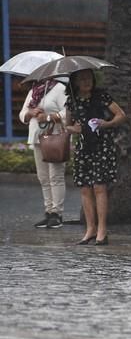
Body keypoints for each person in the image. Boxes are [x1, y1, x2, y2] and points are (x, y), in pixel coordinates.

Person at [64, 69, 127, 245]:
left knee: (100, 187)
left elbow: (121, 115)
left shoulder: (102, 96)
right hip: (83, 148)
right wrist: (73, 129)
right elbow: (67, 126)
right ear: (75, 82)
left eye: (89, 78)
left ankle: (102, 229)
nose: (86, 81)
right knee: (85, 189)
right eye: (82, 79)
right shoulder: (72, 101)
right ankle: (90, 228)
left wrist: (107, 124)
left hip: (102, 146)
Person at [19, 78, 67, 229]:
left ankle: (57, 214)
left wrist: (48, 117)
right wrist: (31, 113)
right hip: (37, 137)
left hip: (54, 137)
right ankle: (48, 212)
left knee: (55, 176)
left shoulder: (59, 88)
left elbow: (68, 112)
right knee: (43, 177)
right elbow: (22, 114)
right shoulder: (34, 91)